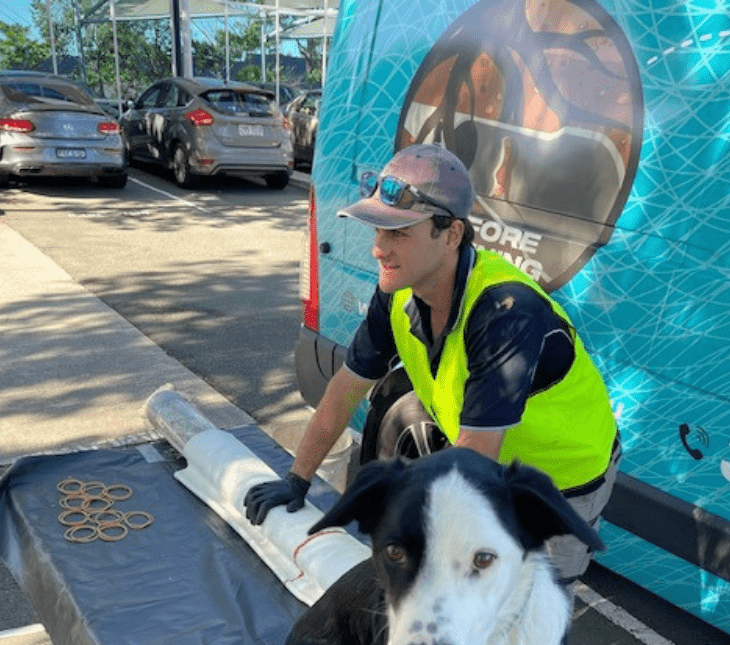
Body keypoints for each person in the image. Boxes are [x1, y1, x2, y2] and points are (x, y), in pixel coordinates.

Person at [245, 143, 619, 583]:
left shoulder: (505, 310)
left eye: (397, 234)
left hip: (561, 480)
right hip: (496, 464)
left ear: (452, 234)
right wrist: (297, 480)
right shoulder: (397, 290)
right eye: (377, 232)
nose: (378, 250)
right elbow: (345, 390)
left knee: (531, 614)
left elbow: (472, 466)